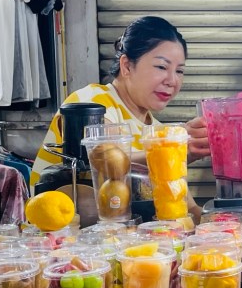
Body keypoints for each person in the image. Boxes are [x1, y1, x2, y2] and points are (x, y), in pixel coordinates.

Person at [29, 16, 210, 205]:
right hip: (58, 228)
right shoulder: (92, 104)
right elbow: (106, 166)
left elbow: (187, 207)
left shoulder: (157, 131)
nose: (172, 81)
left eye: (179, 71)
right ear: (126, 66)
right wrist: (176, 150)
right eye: (161, 67)